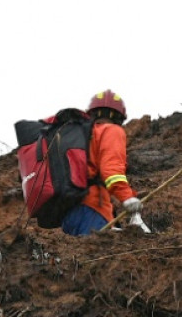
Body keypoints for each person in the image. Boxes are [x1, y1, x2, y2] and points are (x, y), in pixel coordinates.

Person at [61, 90, 142, 236]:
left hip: (68, 212)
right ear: (118, 117)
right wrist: (127, 197)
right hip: (92, 207)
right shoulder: (112, 130)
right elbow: (111, 171)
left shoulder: (82, 135)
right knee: (95, 248)